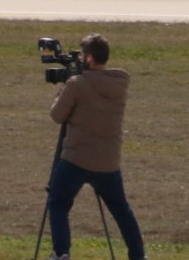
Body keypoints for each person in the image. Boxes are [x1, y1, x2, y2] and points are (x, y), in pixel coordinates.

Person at [46, 34, 146, 260]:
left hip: (76, 158)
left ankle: (62, 252)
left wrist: (63, 88)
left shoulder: (77, 84)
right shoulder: (119, 83)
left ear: (89, 58)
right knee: (121, 210)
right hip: (108, 162)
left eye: (82, 56)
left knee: (58, 202)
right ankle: (138, 255)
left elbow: (57, 115)